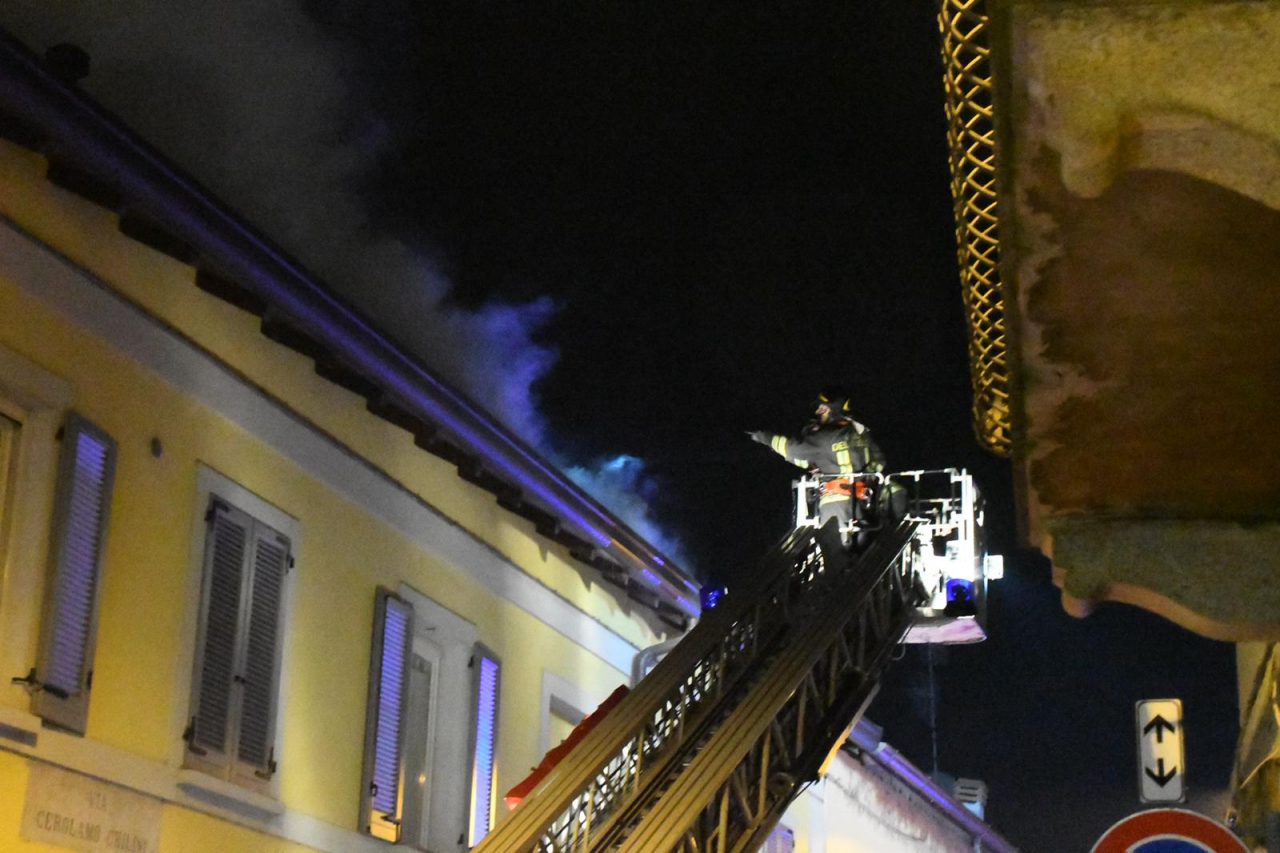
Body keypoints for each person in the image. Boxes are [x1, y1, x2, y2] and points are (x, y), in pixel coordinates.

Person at [748, 388, 886, 544]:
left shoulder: (824, 436)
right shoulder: (860, 433)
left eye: (823, 408)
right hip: (863, 506)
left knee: (836, 558)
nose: (819, 412)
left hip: (836, 507)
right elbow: (879, 461)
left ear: (835, 409)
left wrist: (762, 437)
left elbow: (792, 448)